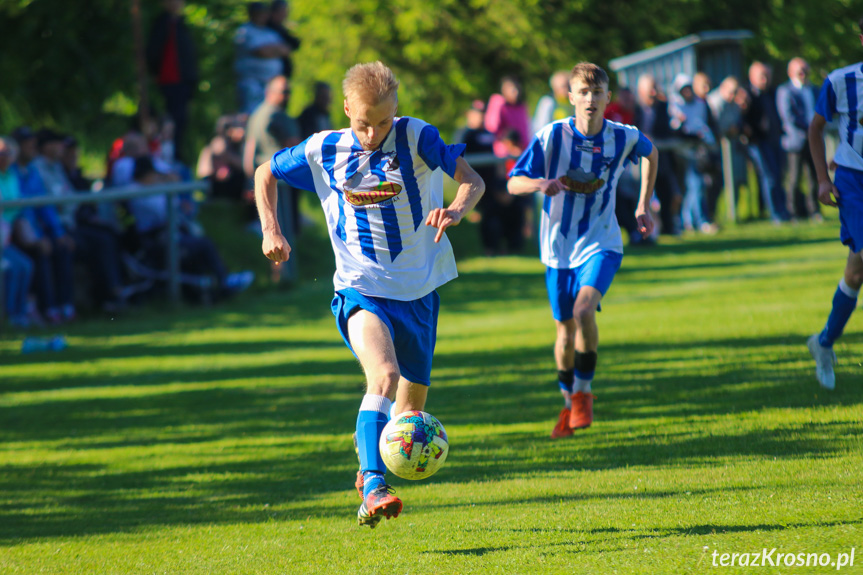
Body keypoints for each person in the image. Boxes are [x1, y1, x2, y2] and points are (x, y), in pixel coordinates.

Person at [254, 61, 484, 527]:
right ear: (346, 109)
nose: (373, 133)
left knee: (409, 414)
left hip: (419, 292)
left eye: (382, 122)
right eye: (363, 123)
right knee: (384, 375)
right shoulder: (326, 147)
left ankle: (371, 475)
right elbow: (264, 171)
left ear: (395, 110)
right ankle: (374, 485)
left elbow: (472, 180)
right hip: (360, 288)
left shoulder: (417, 137)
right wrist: (270, 230)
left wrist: (456, 210)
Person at [507, 62, 658, 438]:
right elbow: (513, 183)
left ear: (608, 97)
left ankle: (584, 392)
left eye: (598, 92)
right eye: (583, 92)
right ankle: (567, 400)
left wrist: (643, 204)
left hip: (601, 242)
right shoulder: (551, 136)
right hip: (556, 248)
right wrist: (539, 184)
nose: (590, 99)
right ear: (570, 96)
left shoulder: (623, 136)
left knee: (583, 309)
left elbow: (652, 154)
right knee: (563, 330)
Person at [806, 19, 863, 390]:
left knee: (856, 273)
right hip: (853, 181)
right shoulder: (841, 80)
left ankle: (823, 342)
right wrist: (823, 179)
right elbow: (815, 129)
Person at [245, 75, 301, 257]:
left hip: (261, 183)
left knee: (271, 232)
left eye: (289, 92)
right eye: (284, 92)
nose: (288, 96)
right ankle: (285, 276)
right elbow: (296, 147)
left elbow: (249, 151)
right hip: (281, 180)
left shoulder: (256, 114)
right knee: (283, 231)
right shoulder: (279, 115)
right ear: (270, 92)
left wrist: (250, 181)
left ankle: (278, 276)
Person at [146, 0, 198, 162]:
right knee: (173, 120)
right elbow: (154, 52)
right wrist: (155, 71)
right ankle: (170, 154)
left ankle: (176, 153)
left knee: (181, 120)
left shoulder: (180, 24)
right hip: (170, 79)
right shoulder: (163, 23)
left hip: (183, 80)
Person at [633, 74, 681, 235]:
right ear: (641, 91)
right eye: (649, 89)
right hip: (638, 163)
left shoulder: (664, 107)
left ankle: (668, 228)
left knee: (666, 194)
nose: (653, 92)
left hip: (662, 160)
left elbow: (671, 131)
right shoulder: (635, 110)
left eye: (655, 88)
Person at [777, 57, 821, 221]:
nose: (803, 74)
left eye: (805, 70)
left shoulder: (814, 90)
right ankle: (793, 211)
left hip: (813, 140)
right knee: (794, 178)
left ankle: (814, 210)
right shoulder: (785, 91)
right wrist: (808, 130)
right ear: (791, 73)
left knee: (814, 176)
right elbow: (788, 117)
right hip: (796, 141)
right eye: (799, 71)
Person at [745, 61, 788, 222]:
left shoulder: (773, 92)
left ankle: (783, 210)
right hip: (759, 142)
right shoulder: (747, 95)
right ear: (752, 77)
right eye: (762, 76)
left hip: (775, 140)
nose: (765, 79)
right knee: (769, 177)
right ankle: (774, 213)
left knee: (779, 176)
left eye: (767, 76)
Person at [0, 136, 35, 327]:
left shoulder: (11, 176)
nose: (4, 157)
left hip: (6, 237)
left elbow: (17, 207)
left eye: (7, 154)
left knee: (25, 265)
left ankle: (19, 313)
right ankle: (10, 315)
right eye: (1, 153)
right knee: (12, 268)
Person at [234, 1, 291, 114]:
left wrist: (270, 50)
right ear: (252, 14)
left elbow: (286, 50)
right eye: (259, 13)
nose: (263, 16)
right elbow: (260, 52)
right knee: (250, 114)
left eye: (264, 13)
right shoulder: (245, 31)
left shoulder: (270, 33)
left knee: (269, 115)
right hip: (251, 82)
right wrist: (275, 50)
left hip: (270, 85)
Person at [267, 0, 301, 79]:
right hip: (270, 76)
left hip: (281, 75)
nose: (286, 14)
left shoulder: (280, 28)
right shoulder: (268, 28)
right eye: (284, 11)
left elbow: (295, 43)